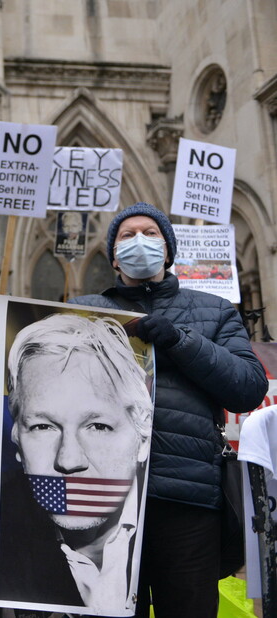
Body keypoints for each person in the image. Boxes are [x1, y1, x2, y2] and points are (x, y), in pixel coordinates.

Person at [70, 202, 268, 617]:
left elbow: (248, 388)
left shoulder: (214, 311)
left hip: (187, 501)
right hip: (104, 502)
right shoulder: (83, 311)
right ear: (112, 256)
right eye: (126, 235)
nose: (138, 241)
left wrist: (181, 341)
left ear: (168, 248)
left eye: (149, 233)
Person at [0, 312, 152, 614]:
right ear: (16, 438)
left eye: (98, 426)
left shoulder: (170, 532)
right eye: (43, 427)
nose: (68, 460)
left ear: (142, 438)